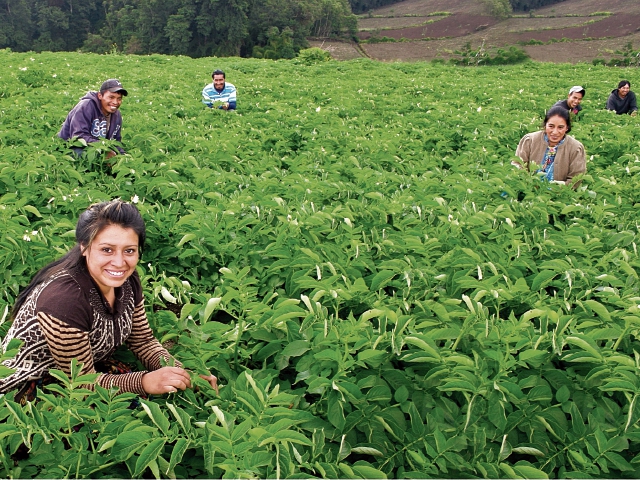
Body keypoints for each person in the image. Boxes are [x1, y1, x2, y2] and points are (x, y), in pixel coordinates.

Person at [0, 199, 217, 402]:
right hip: (33, 383)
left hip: (85, 366)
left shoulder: (128, 281)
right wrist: (144, 382)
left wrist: (182, 374)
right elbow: (80, 384)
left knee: (157, 393)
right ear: (84, 247)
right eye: (107, 250)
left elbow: (143, 341)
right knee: (120, 411)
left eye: (129, 251)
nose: (119, 262)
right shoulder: (65, 300)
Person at [514, 106, 586, 187]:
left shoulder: (576, 148)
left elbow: (576, 178)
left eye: (560, 127)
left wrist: (560, 187)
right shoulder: (530, 140)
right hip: (527, 189)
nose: (555, 132)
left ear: (567, 128)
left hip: (559, 195)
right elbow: (517, 164)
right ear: (545, 125)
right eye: (551, 126)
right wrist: (526, 182)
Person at [58, 79, 128, 157]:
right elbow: (79, 136)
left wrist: (124, 157)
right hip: (70, 148)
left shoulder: (116, 115)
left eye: (119, 98)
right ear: (100, 96)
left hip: (96, 147)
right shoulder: (86, 106)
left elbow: (116, 141)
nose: (115, 102)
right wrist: (105, 149)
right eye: (111, 97)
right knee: (96, 157)